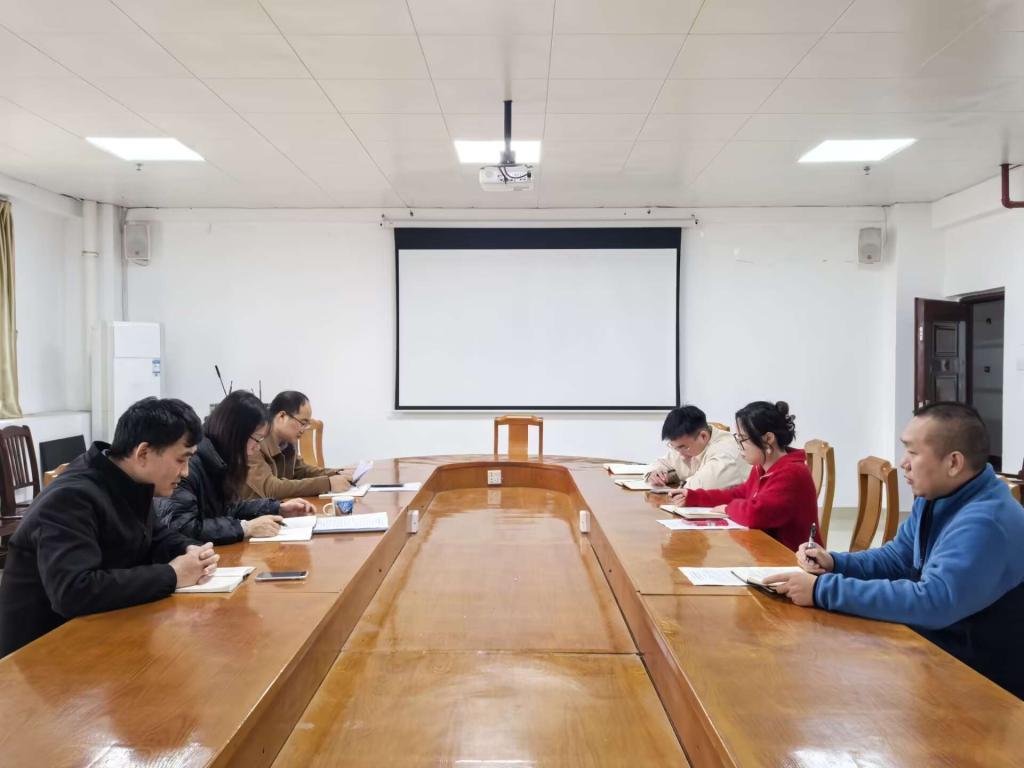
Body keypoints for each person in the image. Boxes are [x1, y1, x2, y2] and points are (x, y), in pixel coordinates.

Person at [766, 402, 1024, 700]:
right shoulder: (937, 496)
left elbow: (933, 602)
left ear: (953, 463)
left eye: (913, 452)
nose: (904, 463)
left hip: (984, 687)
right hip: (938, 656)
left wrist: (822, 590)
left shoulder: (987, 521)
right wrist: (835, 563)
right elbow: (898, 558)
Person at [0, 398, 219, 656]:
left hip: (98, 632)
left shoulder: (130, 481)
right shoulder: (71, 498)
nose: (185, 473)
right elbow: (73, 591)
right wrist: (172, 575)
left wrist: (190, 551)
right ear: (143, 453)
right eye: (182, 460)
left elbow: (156, 536)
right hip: (40, 652)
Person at [158, 391, 312, 545]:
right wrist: (244, 528)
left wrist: (277, 508)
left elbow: (231, 508)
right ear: (237, 434)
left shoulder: (220, 459)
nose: (257, 448)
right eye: (257, 439)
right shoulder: (188, 466)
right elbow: (184, 528)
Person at [670, 401, 820, 552]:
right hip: (767, 552)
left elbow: (756, 514)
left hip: (793, 559)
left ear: (768, 439)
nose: (739, 446)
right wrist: (693, 497)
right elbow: (738, 494)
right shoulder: (761, 467)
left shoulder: (792, 473)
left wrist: (728, 509)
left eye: (742, 439)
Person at [243, 390, 350, 501]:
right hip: (253, 511)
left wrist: (338, 473)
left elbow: (302, 471)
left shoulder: (287, 443)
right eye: (303, 423)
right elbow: (271, 489)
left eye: (307, 424)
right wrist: (327, 484)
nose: (304, 429)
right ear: (282, 416)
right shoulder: (253, 444)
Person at [646, 405, 749, 490]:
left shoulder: (725, 452)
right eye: (675, 448)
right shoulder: (686, 445)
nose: (680, 455)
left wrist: (673, 477)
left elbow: (699, 487)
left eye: (684, 447)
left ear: (703, 436)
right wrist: (655, 474)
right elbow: (661, 463)